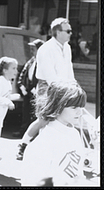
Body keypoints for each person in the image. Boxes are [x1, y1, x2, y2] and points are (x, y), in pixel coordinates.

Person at [16, 18, 76, 160]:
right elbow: (50, 75)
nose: (71, 33)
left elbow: (69, 70)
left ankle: (52, 150)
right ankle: (23, 146)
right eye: (68, 31)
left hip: (63, 87)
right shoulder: (45, 49)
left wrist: (74, 87)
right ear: (57, 32)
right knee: (44, 119)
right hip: (47, 87)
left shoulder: (67, 47)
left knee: (61, 119)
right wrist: (63, 89)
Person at [21, 81, 96, 186]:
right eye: (74, 108)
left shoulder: (74, 134)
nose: (80, 113)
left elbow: (79, 174)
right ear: (57, 106)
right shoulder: (41, 144)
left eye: (81, 107)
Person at [12, 39, 44, 138]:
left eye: (33, 48)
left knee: (35, 114)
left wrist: (36, 88)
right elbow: (23, 73)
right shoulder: (31, 61)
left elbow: (43, 77)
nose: (31, 50)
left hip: (37, 91)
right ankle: (23, 132)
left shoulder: (43, 62)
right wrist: (21, 85)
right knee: (25, 112)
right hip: (27, 91)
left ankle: (34, 135)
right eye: (31, 48)